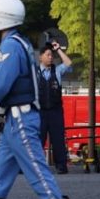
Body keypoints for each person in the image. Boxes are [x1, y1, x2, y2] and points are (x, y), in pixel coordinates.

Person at [0, 0, 70, 199]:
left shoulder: (11, 47)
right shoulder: (19, 43)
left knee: (39, 175)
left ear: (2, 18)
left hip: (20, 119)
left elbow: (0, 85)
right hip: (14, 121)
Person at [38, 41, 72, 174]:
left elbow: (68, 63)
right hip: (40, 112)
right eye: (48, 55)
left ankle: (61, 165)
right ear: (41, 57)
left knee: (58, 139)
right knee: (38, 139)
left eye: (51, 55)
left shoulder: (57, 70)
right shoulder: (35, 72)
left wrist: (58, 50)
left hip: (55, 111)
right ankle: (36, 166)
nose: (50, 57)